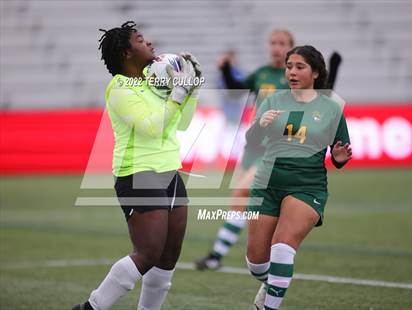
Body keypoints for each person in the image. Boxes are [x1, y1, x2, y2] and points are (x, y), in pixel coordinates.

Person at [72, 21, 202, 310]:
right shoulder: (119, 89)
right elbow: (151, 127)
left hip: (170, 171)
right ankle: (91, 307)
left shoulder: (153, 81)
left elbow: (182, 124)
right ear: (126, 53)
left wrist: (190, 92)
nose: (150, 43)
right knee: (148, 252)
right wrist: (178, 94)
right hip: (138, 173)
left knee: (168, 255)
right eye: (141, 40)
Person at [245, 45, 352, 309]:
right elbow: (252, 141)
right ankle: (271, 282)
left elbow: (341, 151)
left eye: (299, 67)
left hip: (307, 186)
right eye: (289, 66)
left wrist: (338, 158)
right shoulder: (272, 101)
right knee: (256, 263)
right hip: (266, 185)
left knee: (282, 247)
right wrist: (260, 126)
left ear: (315, 72)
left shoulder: (331, 108)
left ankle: (269, 305)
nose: (292, 72)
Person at [195, 29, 295, 270]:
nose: (276, 47)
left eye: (282, 43)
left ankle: (233, 256)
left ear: (291, 46)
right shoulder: (262, 74)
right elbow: (234, 89)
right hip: (254, 148)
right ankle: (217, 256)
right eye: (272, 42)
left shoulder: (294, 77)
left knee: (243, 193)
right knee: (241, 202)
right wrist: (225, 69)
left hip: (276, 149)